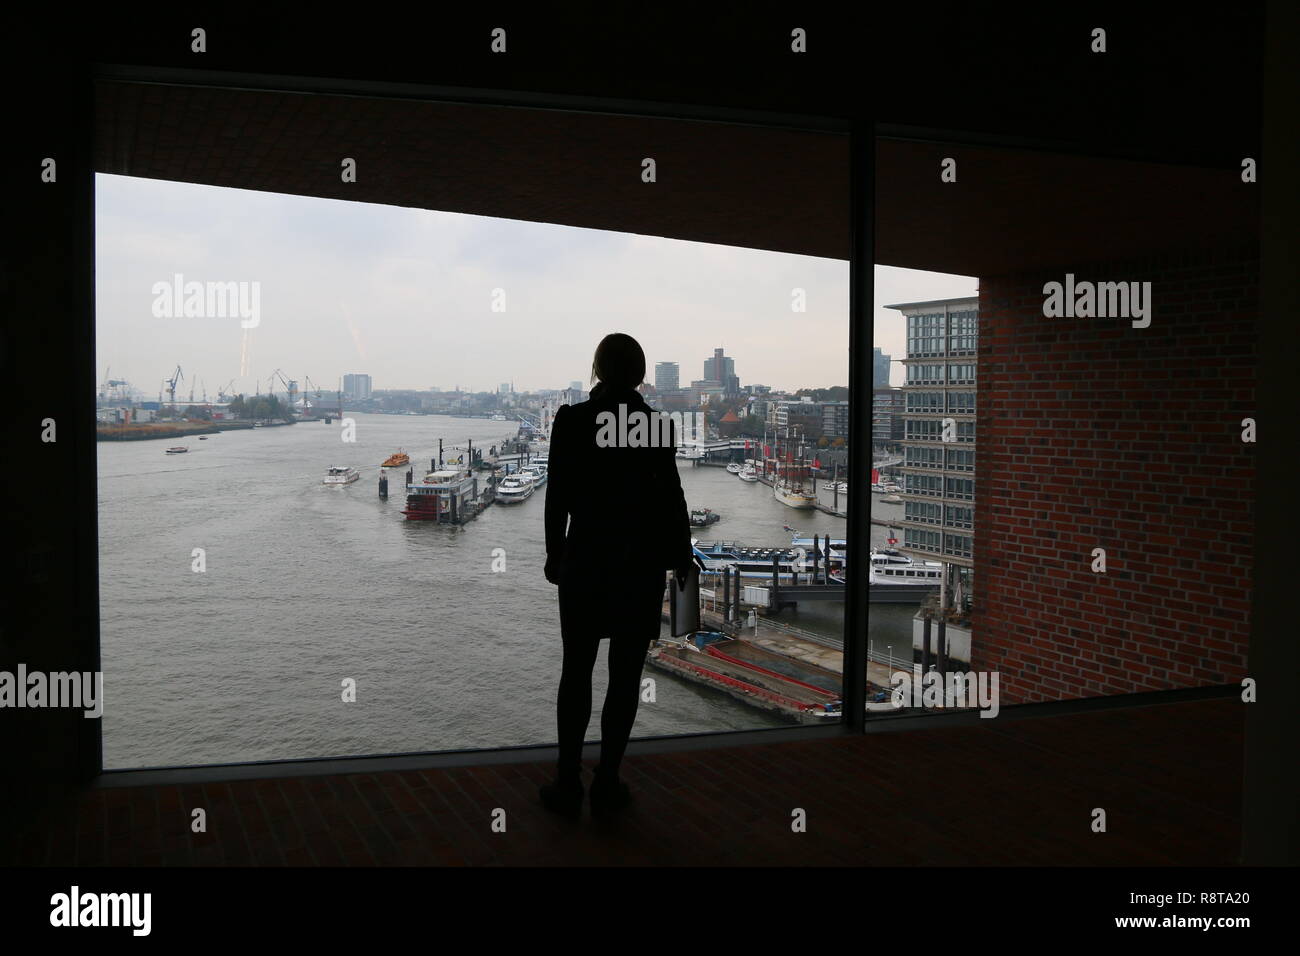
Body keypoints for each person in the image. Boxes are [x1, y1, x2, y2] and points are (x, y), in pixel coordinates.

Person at [540, 333, 694, 820]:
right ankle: (607, 781)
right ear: (640, 373)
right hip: (639, 563)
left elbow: (556, 496)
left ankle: (568, 780)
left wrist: (554, 554)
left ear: (598, 369)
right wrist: (682, 555)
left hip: (586, 559)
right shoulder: (655, 426)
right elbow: (672, 498)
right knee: (625, 677)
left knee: (576, 671)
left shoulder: (572, 420)